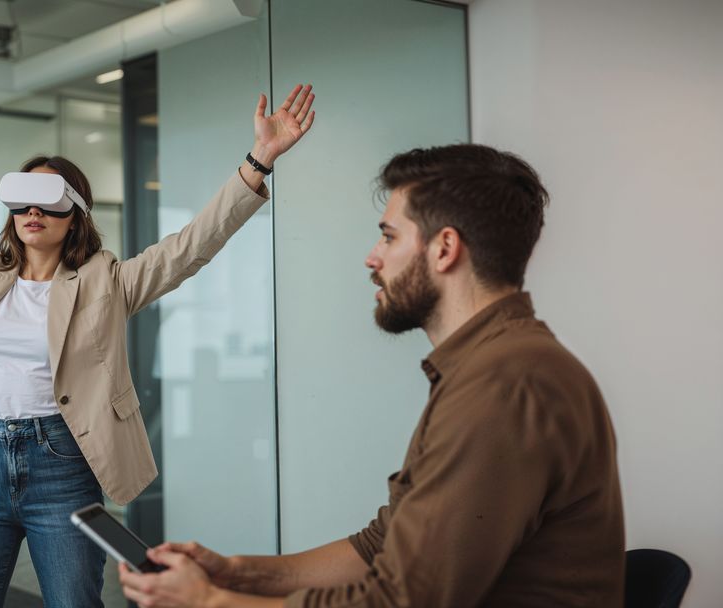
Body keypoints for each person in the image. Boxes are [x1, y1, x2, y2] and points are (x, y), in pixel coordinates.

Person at [0, 76, 315, 607]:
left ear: (76, 213)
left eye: (48, 200)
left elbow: (190, 247)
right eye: (21, 200)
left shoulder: (105, 282)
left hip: (62, 464)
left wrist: (259, 159)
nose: (32, 212)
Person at [118, 143, 625, 608]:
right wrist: (234, 573)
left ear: (444, 249)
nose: (372, 257)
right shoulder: (494, 366)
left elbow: (399, 604)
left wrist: (209, 602)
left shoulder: (506, 385)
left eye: (388, 236)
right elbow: (377, 547)